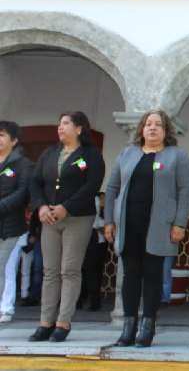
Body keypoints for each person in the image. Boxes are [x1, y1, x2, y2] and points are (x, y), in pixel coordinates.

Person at [104, 110, 189, 347]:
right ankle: (128, 327)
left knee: (153, 277)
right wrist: (108, 221)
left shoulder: (177, 156)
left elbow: (185, 191)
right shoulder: (127, 154)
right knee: (130, 276)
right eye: (148, 124)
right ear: (141, 129)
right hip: (128, 224)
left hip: (160, 226)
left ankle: (148, 326)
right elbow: (112, 188)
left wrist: (180, 223)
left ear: (166, 131)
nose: (152, 128)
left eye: (158, 124)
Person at [29, 112, 105, 342]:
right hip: (50, 218)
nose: (60, 127)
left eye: (66, 123)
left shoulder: (91, 155)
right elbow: (35, 182)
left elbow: (91, 186)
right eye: (59, 124)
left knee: (69, 270)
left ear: (79, 129)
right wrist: (41, 207)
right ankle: (45, 323)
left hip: (77, 218)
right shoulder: (49, 153)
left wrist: (66, 207)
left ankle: (63, 322)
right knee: (50, 271)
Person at [0, 121, 34, 324]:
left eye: (2, 135)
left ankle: (6, 307)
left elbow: (22, 193)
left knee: (6, 267)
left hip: (11, 226)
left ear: (14, 140)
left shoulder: (23, 165)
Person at [77, 192, 105, 311]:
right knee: (83, 269)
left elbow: (100, 219)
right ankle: (82, 299)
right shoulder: (86, 197)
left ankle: (93, 300)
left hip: (95, 236)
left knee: (92, 270)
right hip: (86, 234)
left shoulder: (99, 198)